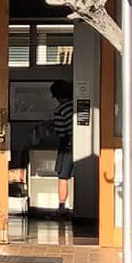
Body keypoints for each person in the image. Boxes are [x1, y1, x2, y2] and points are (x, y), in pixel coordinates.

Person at [49, 80, 75, 209]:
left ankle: (62, 207)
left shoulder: (60, 110)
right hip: (82, 144)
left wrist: (51, 127)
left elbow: (61, 132)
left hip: (67, 146)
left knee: (63, 176)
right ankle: (78, 205)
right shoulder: (75, 106)